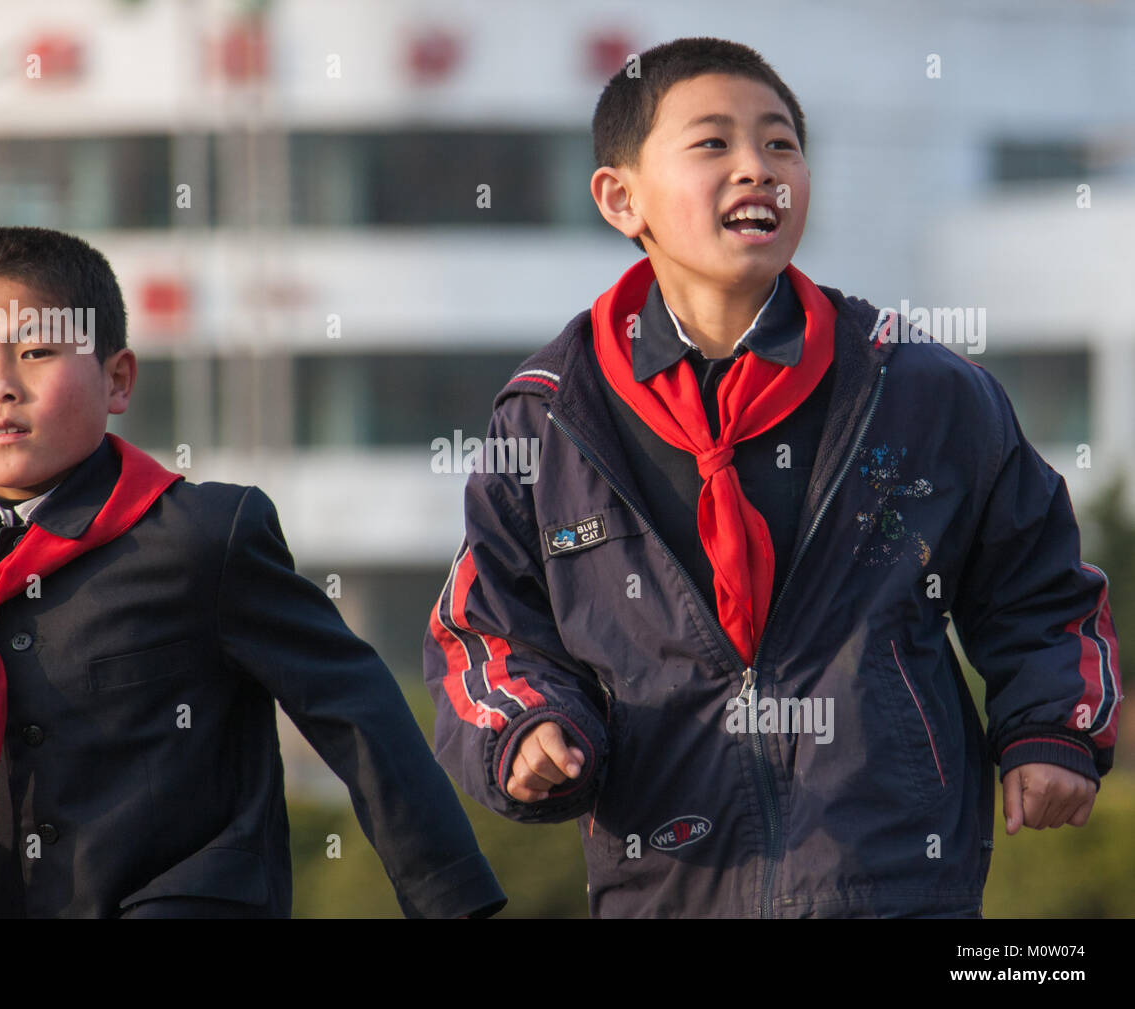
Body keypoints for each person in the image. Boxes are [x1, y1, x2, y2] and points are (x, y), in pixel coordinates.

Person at [423, 37, 1120, 917]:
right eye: (713, 143)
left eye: (781, 143)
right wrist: (527, 726)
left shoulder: (921, 389)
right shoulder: (552, 418)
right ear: (619, 196)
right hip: (667, 885)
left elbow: (1041, 587)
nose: (757, 167)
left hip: (897, 882)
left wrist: (1050, 729)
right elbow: (485, 631)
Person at [0, 226, 505, 919]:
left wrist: (448, 895)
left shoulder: (204, 535)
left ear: (117, 377)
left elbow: (354, 711)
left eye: (36, 352)